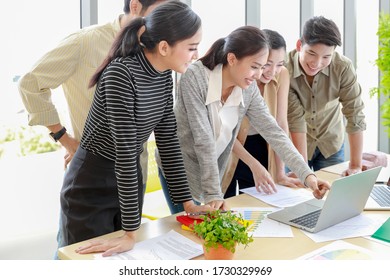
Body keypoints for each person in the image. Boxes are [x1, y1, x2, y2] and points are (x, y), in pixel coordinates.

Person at [59, 1, 212, 257]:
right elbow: (126, 152)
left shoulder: (163, 75)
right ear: (164, 47)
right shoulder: (121, 73)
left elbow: (168, 141)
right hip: (90, 187)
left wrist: (187, 203)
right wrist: (131, 232)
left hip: (126, 183)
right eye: (191, 48)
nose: (196, 55)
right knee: (87, 263)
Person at [18, 0, 167, 258]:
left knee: (116, 254)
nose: (167, 21)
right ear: (135, 6)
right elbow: (30, 84)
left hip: (133, 174)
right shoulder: (85, 42)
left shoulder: (156, 51)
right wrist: (65, 139)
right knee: (74, 255)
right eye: (161, 12)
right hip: (92, 176)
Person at [160, 26, 330, 213]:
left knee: (207, 233)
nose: (258, 75)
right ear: (232, 59)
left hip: (210, 172)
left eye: (261, 67)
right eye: (254, 67)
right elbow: (203, 139)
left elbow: (274, 132)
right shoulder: (196, 77)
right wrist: (214, 194)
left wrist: (308, 176)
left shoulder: (248, 89)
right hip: (179, 170)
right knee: (184, 232)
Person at [224, 29, 304, 198]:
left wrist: (280, 173)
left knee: (256, 200)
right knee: (227, 197)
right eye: (267, 63)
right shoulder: (240, 76)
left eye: (280, 63)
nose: (272, 71)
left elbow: (280, 124)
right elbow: (224, 133)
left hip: (261, 143)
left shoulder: (282, 75)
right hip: (230, 146)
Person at [286, 16, 366, 175]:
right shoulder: (283, 70)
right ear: (299, 45)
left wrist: (356, 166)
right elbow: (295, 121)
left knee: (333, 193)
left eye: (326, 57)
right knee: (298, 193)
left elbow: (355, 113)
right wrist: (302, 172)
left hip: (331, 144)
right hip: (296, 145)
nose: (317, 63)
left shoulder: (342, 67)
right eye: (311, 53)